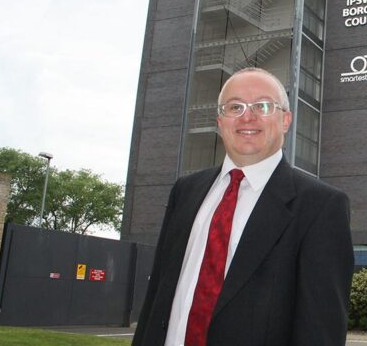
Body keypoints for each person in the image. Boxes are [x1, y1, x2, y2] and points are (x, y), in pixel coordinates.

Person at [133, 68, 354, 346]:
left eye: (262, 106)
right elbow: (157, 297)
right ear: (220, 121)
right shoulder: (185, 192)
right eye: (235, 106)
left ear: (285, 120)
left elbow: (321, 330)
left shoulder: (321, 207)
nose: (247, 116)